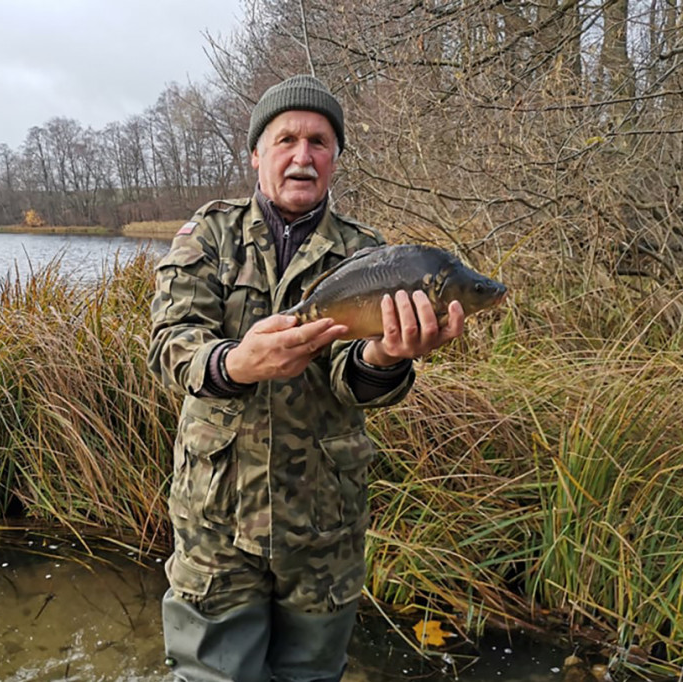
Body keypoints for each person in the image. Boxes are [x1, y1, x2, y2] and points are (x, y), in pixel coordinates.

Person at [147, 74, 466, 682]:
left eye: (319, 141)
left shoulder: (370, 255)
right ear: (256, 156)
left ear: (335, 160)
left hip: (325, 522)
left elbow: (356, 379)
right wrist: (235, 363)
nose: (303, 155)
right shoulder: (208, 236)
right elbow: (169, 347)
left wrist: (387, 359)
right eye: (286, 139)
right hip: (215, 518)